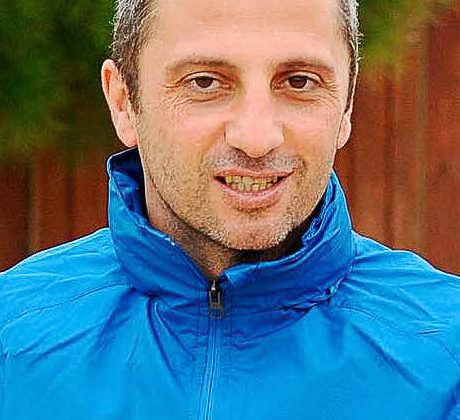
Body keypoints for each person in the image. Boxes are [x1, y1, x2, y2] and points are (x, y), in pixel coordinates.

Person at [0, 0, 459, 418]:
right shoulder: (11, 339)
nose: (256, 138)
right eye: (204, 82)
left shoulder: (447, 357)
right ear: (123, 102)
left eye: (299, 82)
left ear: (346, 105)